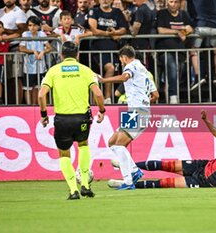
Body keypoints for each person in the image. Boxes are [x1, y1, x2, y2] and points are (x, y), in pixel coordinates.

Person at [109, 110, 216, 189]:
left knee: (165, 183)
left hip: (205, 182)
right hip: (202, 166)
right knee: (165, 164)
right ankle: (126, 165)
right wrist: (206, 120)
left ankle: (126, 184)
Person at [38, 41, 105, 200]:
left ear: (61, 55)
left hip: (62, 119)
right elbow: (98, 94)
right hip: (81, 118)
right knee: (83, 145)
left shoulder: (53, 71)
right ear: (77, 55)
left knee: (64, 154)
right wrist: (102, 110)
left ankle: (73, 190)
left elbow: (41, 95)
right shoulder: (85, 70)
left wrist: (43, 114)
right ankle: (86, 186)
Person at [97, 45, 151, 190]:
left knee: (119, 145)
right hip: (136, 111)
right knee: (112, 142)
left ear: (124, 57)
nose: (121, 62)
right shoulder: (142, 68)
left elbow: (124, 77)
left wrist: (103, 80)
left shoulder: (131, 66)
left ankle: (128, 181)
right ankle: (134, 171)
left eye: (120, 59)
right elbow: (155, 94)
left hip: (137, 111)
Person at [88, 0, 128, 104]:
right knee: (109, 68)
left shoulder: (117, 12)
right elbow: (94, 30)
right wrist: (109, 34)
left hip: (114, 49)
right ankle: (107, 99)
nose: (105, 0)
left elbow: (124, 29)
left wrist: (116, 32)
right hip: (97, 49)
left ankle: (110, 98)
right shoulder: (94, 11)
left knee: (114, 71)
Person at [155, 0, 193, 104]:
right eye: (171, 1)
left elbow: (190, 28)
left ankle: (172, 96)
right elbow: (160, 30)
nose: (173, 4)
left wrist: (187, 30)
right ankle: (173, 97)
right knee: (172, 67)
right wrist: (177, 31)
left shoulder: (184, 14)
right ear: (167, 3)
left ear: (180, 3)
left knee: (176, 75)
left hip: (180, 51)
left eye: (176, 2)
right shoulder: (162, 13)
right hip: (165, 50)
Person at [19, 16, 51, 105]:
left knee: (38, 88)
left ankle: (37, 105)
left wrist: (43, 52)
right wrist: (33, 51)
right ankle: (29, 106)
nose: (32, 27)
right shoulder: (25, 34)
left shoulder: (42, 34)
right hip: (28, 67)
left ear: (39, 26)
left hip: (41, 67)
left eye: (34, 25)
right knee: (28, 88)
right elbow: (21, 48)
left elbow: (49, 47)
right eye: (30, 25)